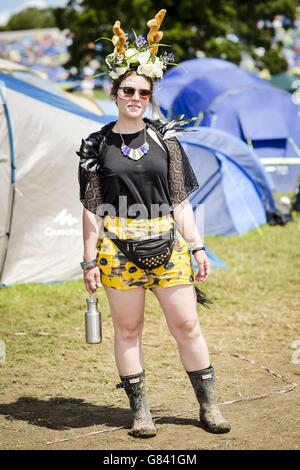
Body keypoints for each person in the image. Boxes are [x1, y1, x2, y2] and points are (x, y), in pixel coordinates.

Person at [77, 9, 230, 438]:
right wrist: (89, 261)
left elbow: (180, 200)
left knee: (187, 326)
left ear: (150, 95)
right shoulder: (97, 144)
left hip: (167, 243)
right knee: (128, 330)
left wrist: (197, 246)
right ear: (115, 92)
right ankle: (141, 412)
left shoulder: (167, 139)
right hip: (117, 250)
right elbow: (91, 209)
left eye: (143, 92)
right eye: (128, 90)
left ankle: (209, 406)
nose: (135, 98)